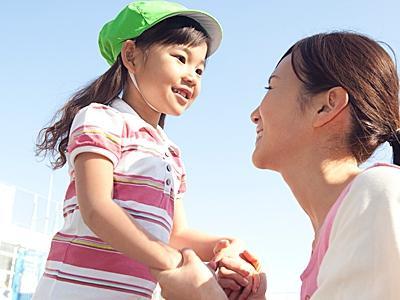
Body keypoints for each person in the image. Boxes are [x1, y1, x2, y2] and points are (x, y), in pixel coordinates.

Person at [33, 1, 260, 299]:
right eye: (180, 57)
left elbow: (176, 234)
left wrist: (223, 245)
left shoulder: (170, 151)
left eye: (200, 69)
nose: (192, 75)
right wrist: (174, 261)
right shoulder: (101, 118)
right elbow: (96, 208)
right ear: (131, 56)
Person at [153, 31, 400, 300]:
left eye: (271, 87)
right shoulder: (347, 220)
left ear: (326, 106)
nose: (255, 114)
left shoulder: (379, 195)